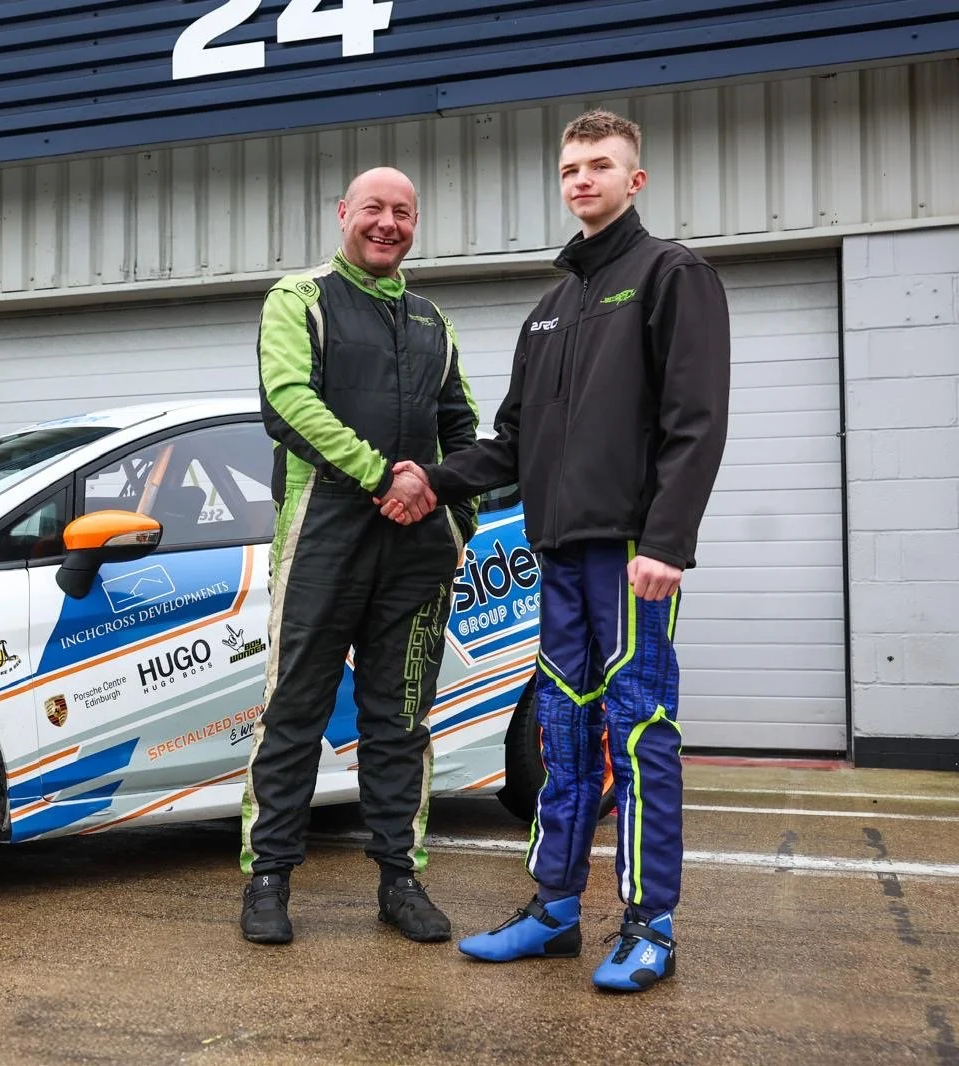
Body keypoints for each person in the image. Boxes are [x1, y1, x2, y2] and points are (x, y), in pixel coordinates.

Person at [402, 110, 730, 991]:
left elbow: (696, 423)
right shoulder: (549, 311)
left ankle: (650, 925)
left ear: (635, 180)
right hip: (557, 554)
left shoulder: (672, 275)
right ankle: (553, 909)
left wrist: (668, 541)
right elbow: (512, 443)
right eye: (570, 169)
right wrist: (432, 479)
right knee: (562, 730)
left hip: (629, 557)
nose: (582, 179)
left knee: (639, 728)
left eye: (600, 165)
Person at [238, 166, 481, 946]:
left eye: (402, 212)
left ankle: (400, 881)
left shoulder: (433, 321)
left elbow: (463, 426)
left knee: (401, 719)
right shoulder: (299, 299)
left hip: (415, 546)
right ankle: (268, 878)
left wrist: (453, 513)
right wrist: (384, 476)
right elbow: (288, 402)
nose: (387, 224)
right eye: (373, 208)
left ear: (415, 224)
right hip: (323, 536)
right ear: (344, 212)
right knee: (295, 713)